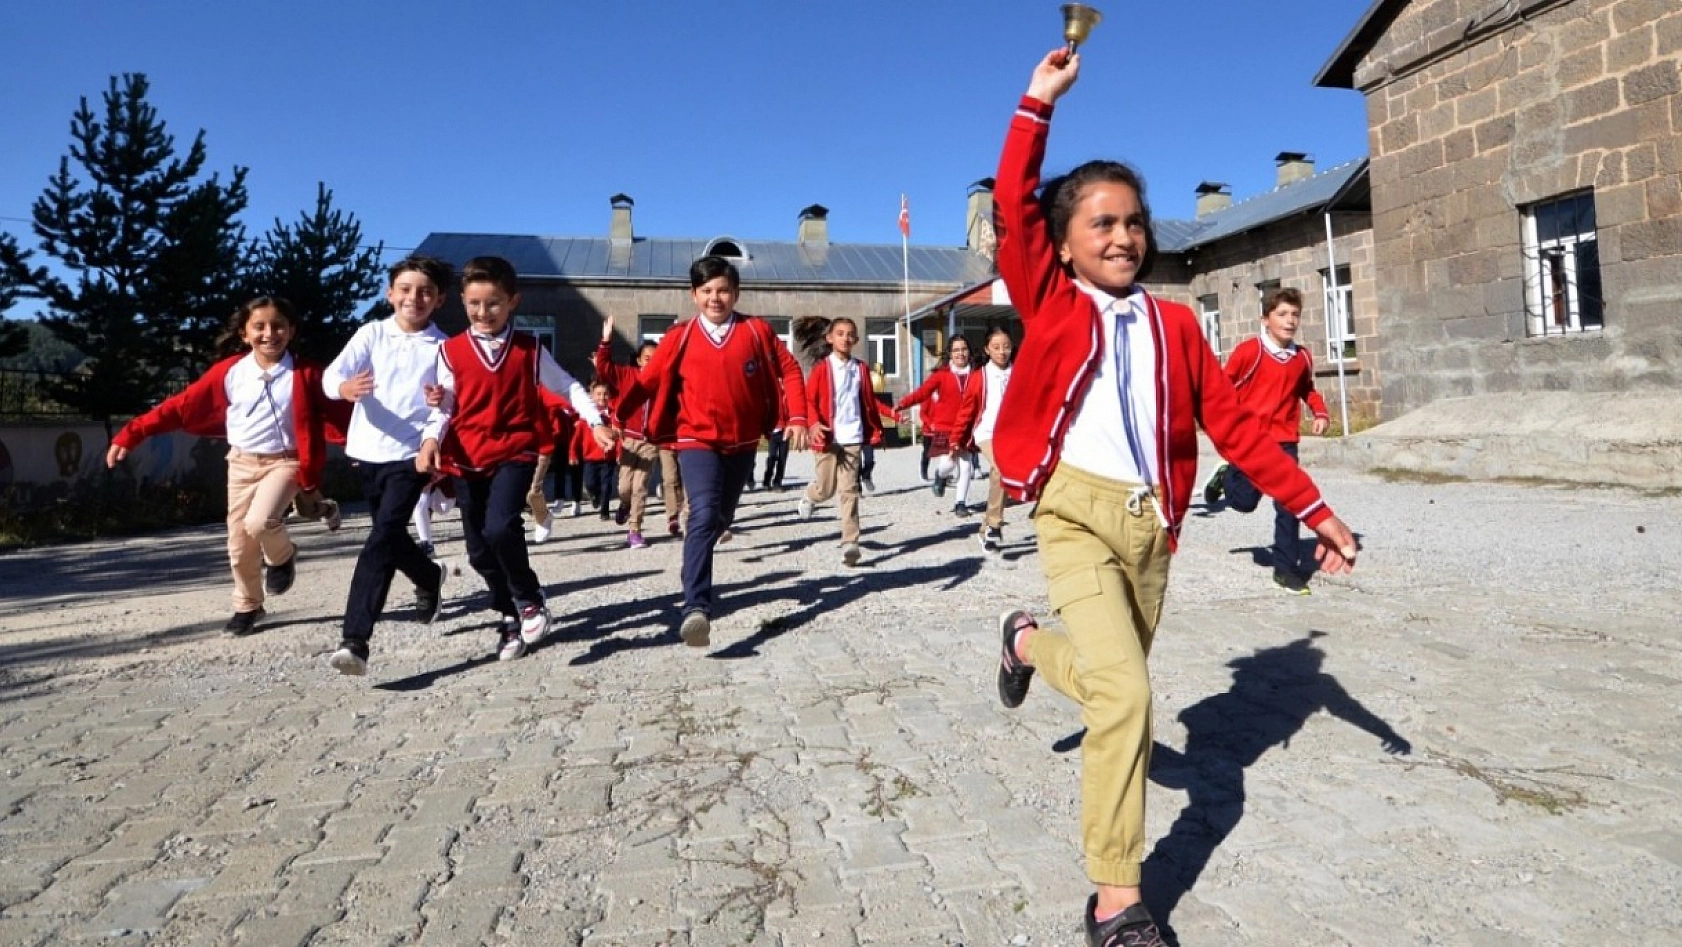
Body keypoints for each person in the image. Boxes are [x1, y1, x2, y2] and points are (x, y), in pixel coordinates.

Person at [988, 49, 1360, 947]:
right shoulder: (1049, 298)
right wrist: (1038, 104)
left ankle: (1027, 640)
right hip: (1072, 511)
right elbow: (1011, 201)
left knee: (1121, 685)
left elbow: (1235, 428)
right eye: (1101, 223)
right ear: (1066, 240)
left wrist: (1316, 510)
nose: (1122, 237)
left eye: (1133, 223)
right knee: (1125, 695)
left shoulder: (1178, 323)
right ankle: (1117, 899)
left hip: (1152, 522)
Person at [107, 297, 347, 636]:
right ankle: (248, 605)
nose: (269, 333)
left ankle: (282, 557)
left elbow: (343, 412)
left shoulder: (307, 374)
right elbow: (180, 405)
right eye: (259, 326)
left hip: (287, 461)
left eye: (278, 326)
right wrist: (131, 434)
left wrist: (364, 445)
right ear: (244, 333)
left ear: (291, 331)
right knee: (239, 541)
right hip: (241, 463)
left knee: (261, 522)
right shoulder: (231, 372)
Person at [417, 256, 614, 662]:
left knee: (501, 527)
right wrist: (430, 438)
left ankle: (527, 597)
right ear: (462, 301)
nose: (482, 312)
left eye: (493, 303)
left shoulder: (530, 349)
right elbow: (444, 406)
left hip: (515, 449)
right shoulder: (450, 351)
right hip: (468, 456)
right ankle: (509, 617)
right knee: (477, 551)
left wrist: (594, 421)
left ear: (512, 302)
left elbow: (570, 387)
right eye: (473, 303)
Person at [618, 255, 807, 647]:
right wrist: (616, 416)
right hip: (695, 439)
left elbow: (790, 370)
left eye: (723, 290)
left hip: (742, 442)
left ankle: (704, 544)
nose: (715, 298)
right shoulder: (679, 337)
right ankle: (696, 607)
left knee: (721, 517)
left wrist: (799, 417)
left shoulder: (755, 331)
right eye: (706, 291)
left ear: (735, 293)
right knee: (702, 515)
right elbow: (647, 381)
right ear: (694, 295)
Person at [324, 255, 456, 676]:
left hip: (411, 455)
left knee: (380, 539)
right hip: (368, 452)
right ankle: (428, 576)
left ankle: (355, 640)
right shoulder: (371, 334)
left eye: (425, 292)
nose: (413, 298)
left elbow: (447, 405)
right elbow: (331, 377)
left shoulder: (442, 347)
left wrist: (434, 431)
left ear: (438, 300)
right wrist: (345, 388)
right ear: (390, 294)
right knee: (389, 534)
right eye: (405, 289)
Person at [1200, 287, 1331, 594]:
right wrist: (1224, 426)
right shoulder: (1251, 352)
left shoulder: (1302, 357)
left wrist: (1320, 412)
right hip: (1250, 441)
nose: (1290, 321)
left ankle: (1286, 571)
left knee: (1290, 504)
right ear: (1266, 319)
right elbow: (1222, 386)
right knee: (1244, 503)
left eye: (1295, 315)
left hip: (1285, 442)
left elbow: (1307, 389)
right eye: (1282, 314)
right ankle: (1226, 474)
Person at [795, 317, 886, 566]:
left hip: (852, 437)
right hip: (826, 437)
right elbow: (808, 400)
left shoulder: (861, 369)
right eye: (840, 333)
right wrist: (813, 424)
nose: (845, 338)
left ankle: (850, 542)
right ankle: (810, 497)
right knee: (826, 489)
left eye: (850, 334)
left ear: (856, 340)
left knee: (849, 492)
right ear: (830, 338)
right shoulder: (822, 369)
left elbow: (869, 402)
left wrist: (883, 423)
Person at [593, 315, 660, 547]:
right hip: (629, 441)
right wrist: (606, 341)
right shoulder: (627, 376)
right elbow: (604, 367)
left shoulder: (663, 382)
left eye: (655, 359)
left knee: (640, 487)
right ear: (640, 361)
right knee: (624, 488)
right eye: (647, 359)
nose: (651, 363)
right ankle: (623, 504)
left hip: (650, 442)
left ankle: (635, 530)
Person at [951, 324, 1015, 554]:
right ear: (987, 350)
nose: (1002, 351)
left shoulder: (1019, 372)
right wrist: (955, 440)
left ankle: (986, 528)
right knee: (1001, 468)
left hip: (1011, 433)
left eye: (1006, 346)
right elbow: (966, 410)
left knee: (1006, 475)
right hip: (987, 432)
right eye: (996, 347)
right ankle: (995, 525)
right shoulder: (981, 376)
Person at [897, 335, 978, 515]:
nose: (961, 353)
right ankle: (940, 476)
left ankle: (960, 503)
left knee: (966, 465)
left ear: (969, 351)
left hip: (967, 427)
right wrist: (903, 403)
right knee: (948, 464)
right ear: (949, 353)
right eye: (956, 350)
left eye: (964, 349)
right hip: (946, 427)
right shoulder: (941, 375)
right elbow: (922, 393)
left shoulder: (977, 374)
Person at [526, 388, 575, 544]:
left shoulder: (539, 387)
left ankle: (543, 517)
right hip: (516, 447)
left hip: (542, 448)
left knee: (534, 489)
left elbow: (565, 401)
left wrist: (574, 411)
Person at [572, 380, 621, 521]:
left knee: (607, 484)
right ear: (592, 396)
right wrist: (573, 453)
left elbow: (619, 437)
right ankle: (594, 495)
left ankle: (604, 511)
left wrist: (619, 453)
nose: (602, 397)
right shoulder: (586, 417)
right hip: (590, 458)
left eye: (605, 394)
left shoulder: (613, 417)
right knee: (590, 483)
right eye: (598, 394)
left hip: (608, 457)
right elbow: (577, 437)